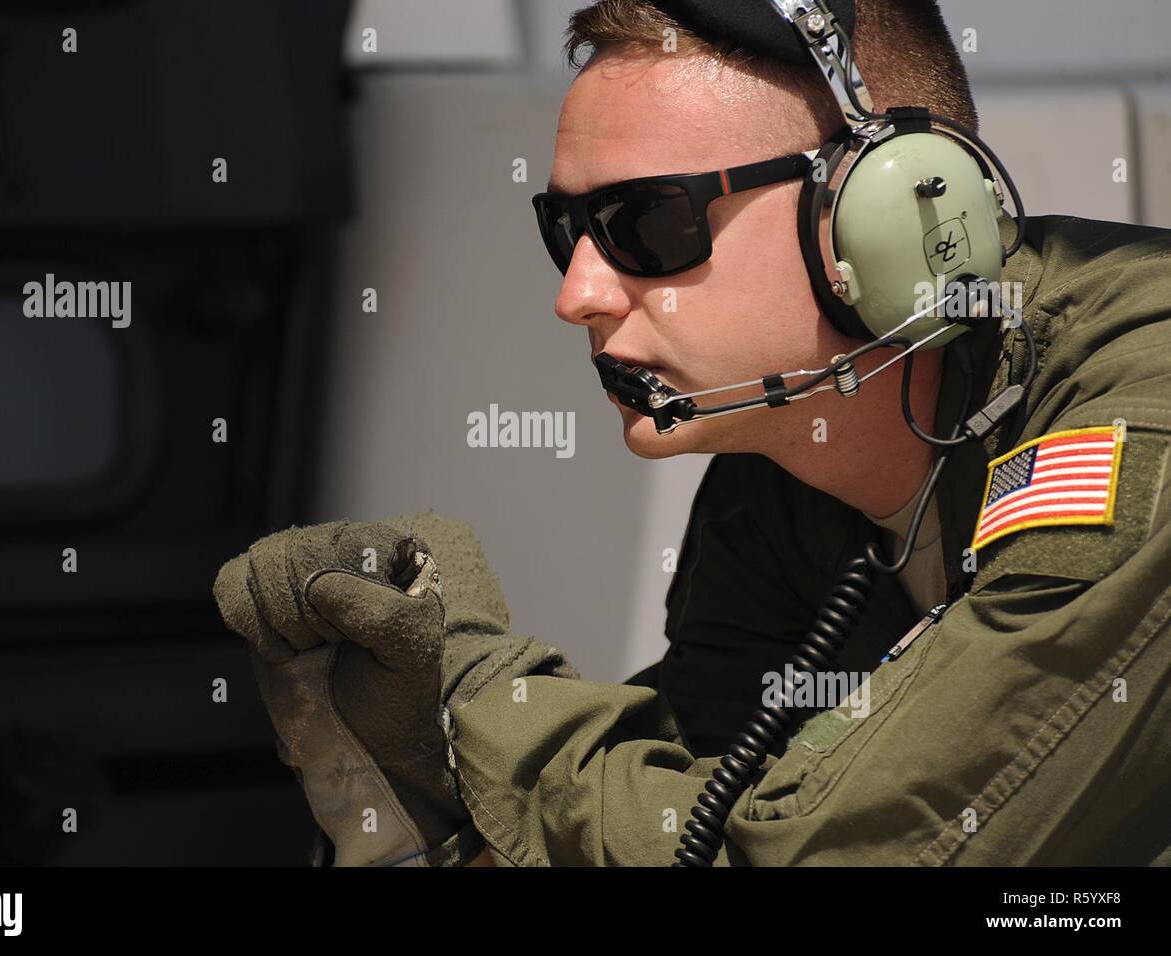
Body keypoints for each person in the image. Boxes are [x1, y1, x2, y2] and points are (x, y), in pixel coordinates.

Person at [214, 0, 1171, 866]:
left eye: (645, 223)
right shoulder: (790, 469)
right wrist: (425, 794)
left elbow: (836, 854)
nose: (577, 294)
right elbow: (699, 797)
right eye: (569, 228)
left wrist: (472, 701)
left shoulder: (1143, 417)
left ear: (887, 213)